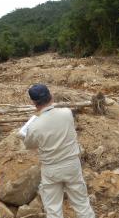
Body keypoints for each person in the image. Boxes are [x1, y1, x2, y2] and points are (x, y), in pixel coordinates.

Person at [24, 84, 95, 218]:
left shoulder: (34, 126)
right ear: (50, 96)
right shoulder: (67, 113)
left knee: (53, 209)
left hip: (51, 169)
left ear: (33, 102)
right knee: (82, 204)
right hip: (71, 164)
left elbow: (29, 144)